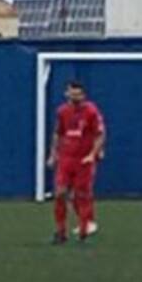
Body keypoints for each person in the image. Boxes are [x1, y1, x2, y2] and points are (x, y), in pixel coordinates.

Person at [48, 80, 105, 243]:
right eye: (72, 93)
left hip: (83, 159)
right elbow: (58, 134)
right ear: (66, 94)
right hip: (66, 158)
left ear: (83, 95)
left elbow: (100, 134)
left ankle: (84, 227)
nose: (75, 96)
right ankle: (60, 231)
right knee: (60, 193)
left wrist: (93, 154)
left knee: (81, 195)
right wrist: (53, 155)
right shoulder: (62, 111)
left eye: (78, 94)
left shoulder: (91, 111)